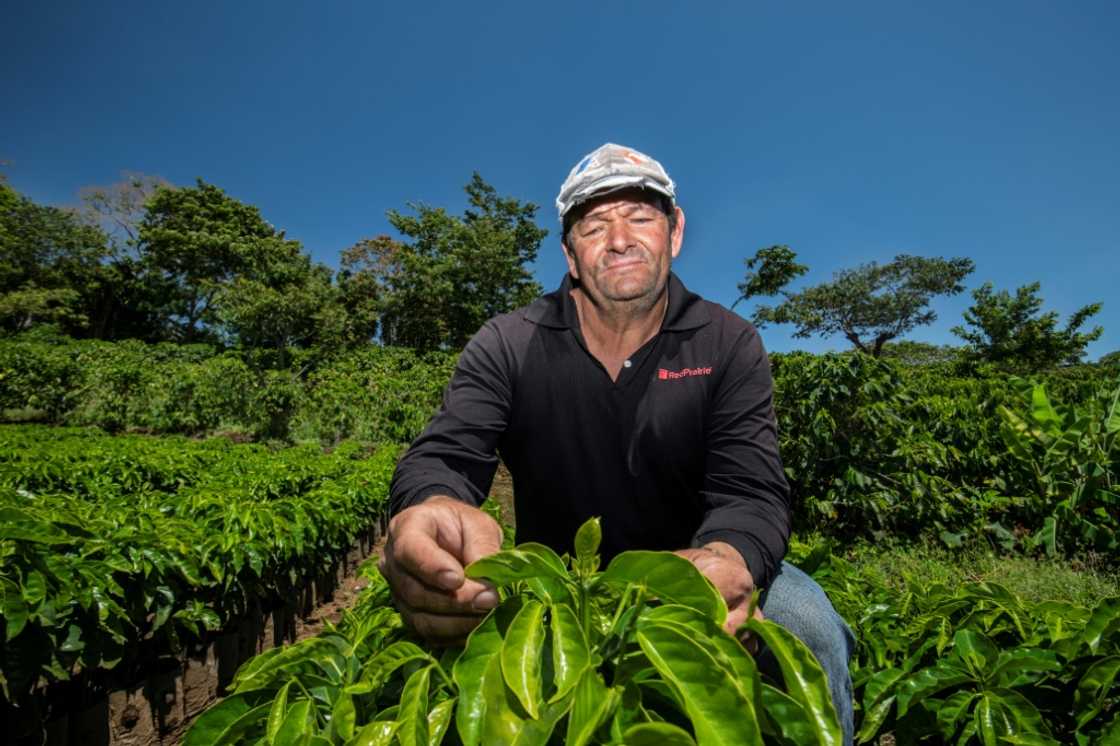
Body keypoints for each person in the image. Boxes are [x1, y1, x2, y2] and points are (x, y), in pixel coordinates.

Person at [382, 143, 855, 743]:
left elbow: (750, 488)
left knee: (807, 623)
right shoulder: (509, 342)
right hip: (561, 580)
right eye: (594, 225)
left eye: (639, 217)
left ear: (675, 231)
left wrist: (728, 556)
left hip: (693, 566)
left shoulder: (727, 341)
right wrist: (431, 505)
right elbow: (447, 452)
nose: (620, 239)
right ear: (570, 253)